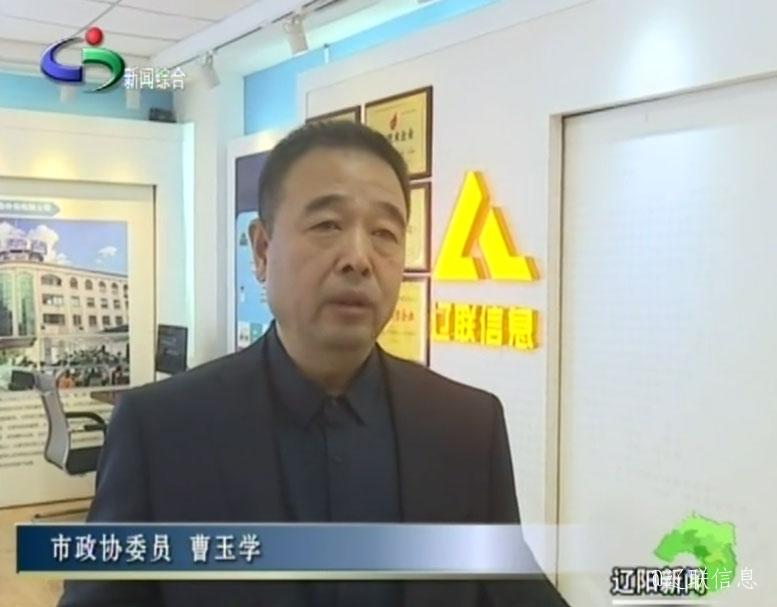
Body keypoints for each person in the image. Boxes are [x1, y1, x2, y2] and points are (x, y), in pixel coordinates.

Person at [60, 121, 568, 607]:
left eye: (385, 232)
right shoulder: (161, 431)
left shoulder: (467, 426)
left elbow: (512, 592)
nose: (358, 258)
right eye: (328, 225)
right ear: (262, 250)